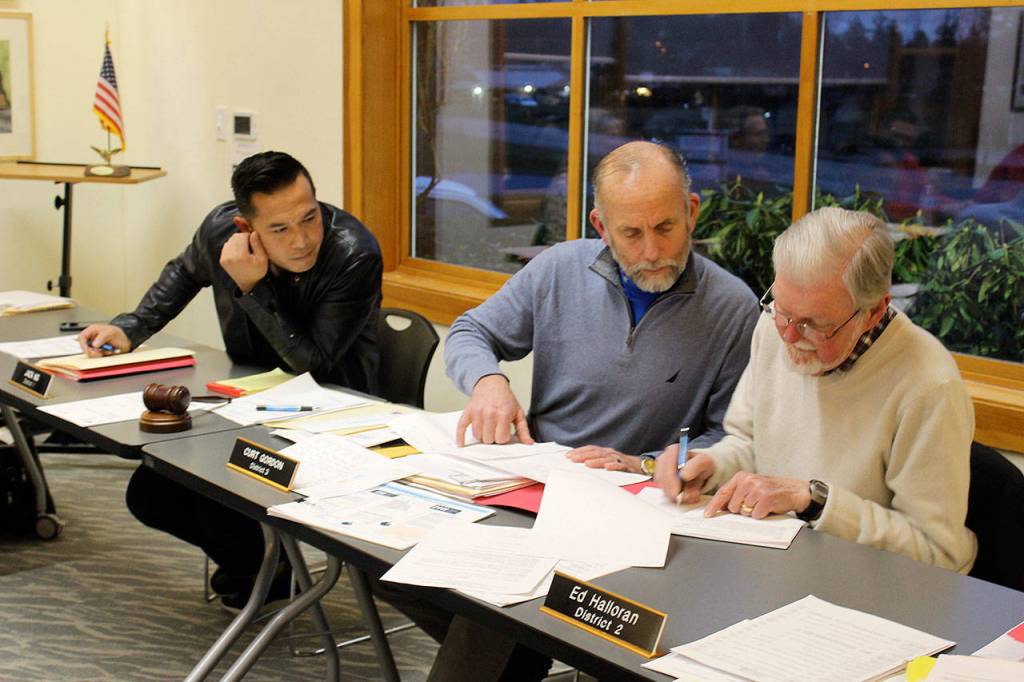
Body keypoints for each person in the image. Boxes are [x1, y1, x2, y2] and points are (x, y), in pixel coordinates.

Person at [384, 140, 759, 681]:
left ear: (692, 211)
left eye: (666, 227)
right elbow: (470, 331)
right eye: (631, 233)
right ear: (601, 226)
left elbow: (730, 438)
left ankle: (521, 644)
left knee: (490, 616)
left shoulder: (733, 308)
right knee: (391, 558)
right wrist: (489, 382)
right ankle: (528, 645)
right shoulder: (560, 269)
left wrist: (648, 463)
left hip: (632, 508)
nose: (653, 251)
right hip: (532, 485)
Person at [79, 151, 383, 609]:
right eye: (279, 229)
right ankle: (264, 568)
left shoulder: (353, 253)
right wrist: (131, 327)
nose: (302, 240)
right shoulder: (221, 232)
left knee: (218, 494)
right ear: (246, 227)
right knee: (150, 494)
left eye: (310, 217)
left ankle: (265, 571)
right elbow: (185, 272)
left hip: (330, 410)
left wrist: (252, 288)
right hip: (244, 398)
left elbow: (313, 364)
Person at [656, 206, 977, 574]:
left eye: (814, 324)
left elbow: (938, 552)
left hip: (861, 583)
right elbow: (749, 443)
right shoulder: (775, 325)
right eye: (781, 309)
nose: (790, 336)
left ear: (873, 312)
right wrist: (710, 465)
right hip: (775, 566)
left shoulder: (929, 386)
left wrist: (816, 502)